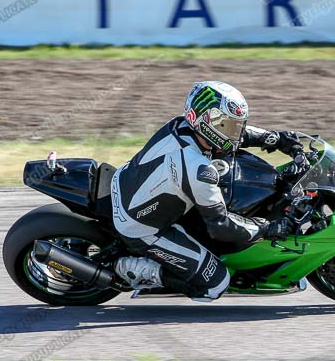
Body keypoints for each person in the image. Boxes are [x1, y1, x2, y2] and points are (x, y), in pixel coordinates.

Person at [111, 80, 303, 301]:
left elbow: (237, 136)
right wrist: (267, 228)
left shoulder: (180, 125)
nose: (234, 132)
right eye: (227, 126)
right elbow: (221, 226)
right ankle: (139, 270)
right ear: (204, 122)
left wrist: (276, 138)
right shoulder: (197, 168)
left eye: (235, 125)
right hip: (142, 227)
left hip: (128, 183)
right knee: (215, 282)